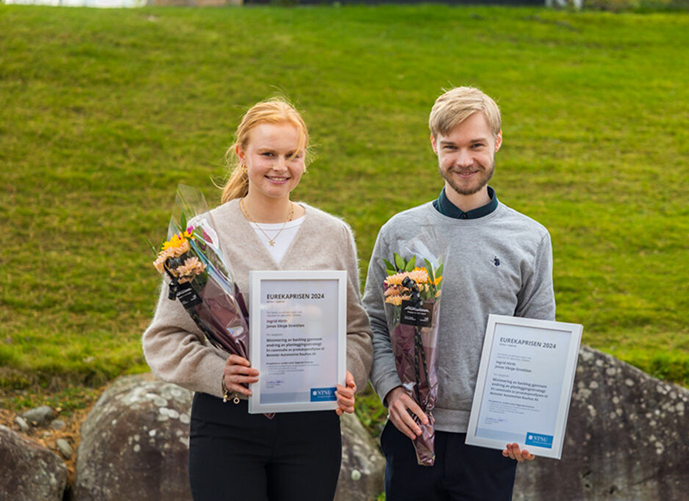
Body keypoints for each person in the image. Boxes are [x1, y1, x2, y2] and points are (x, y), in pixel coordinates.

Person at [142, 98, 373, 501]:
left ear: (304, 160)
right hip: (227, 425)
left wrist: (347, 372)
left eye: (292, 155)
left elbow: (356, 331)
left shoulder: (333, 234)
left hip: (312, 429)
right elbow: (165, 337)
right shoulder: (202, 235)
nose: (280, 166)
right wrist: (218, 374)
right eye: (268, 154)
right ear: (242, 154)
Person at [363, 86, 555, 501]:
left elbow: (540, 339)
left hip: (489, 442)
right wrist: (390, 389)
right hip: (411, 431)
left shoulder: (530, 238)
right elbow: (374, 323)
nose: (464, 160)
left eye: (477, 145)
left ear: (498, 142)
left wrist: (524, 423)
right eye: (451, 146)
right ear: (433, 144)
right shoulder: (399, 232)